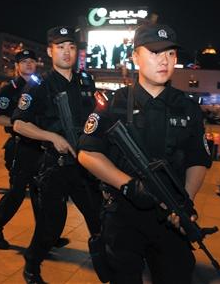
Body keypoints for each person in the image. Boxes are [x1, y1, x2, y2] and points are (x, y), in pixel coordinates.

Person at [78, 23, 212, 284]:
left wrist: (185, 200)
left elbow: (198, 159)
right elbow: (87, 153)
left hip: (170, 218)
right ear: (135, 57)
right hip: (123, 215)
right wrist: (128, 185)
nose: (164, 60)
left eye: (171, 53)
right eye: (154, 52)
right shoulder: (113, 103)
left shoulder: (188, 108)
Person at [12, 26, 101, 284]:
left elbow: (94, 119)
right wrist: (52, 137)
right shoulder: (39, 85)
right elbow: (19, 124)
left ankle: (108, 263)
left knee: (98, 218)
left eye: (71, 47)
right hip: (56, 166)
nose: (67, 52)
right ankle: (32, 264)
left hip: (85, 164)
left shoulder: (86, 81)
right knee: (51, 224)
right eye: (61, 47)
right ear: (50, 51)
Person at [0, 49, 49, 250]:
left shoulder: (42, 87)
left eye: (32, 61)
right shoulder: (9, 89)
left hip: (40, 147)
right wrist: (18, 123)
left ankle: (46, 235)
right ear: (17, 66)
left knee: (41, 192)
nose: (29, 65)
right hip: (20, 147)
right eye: (24, 62)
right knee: (17, 192)